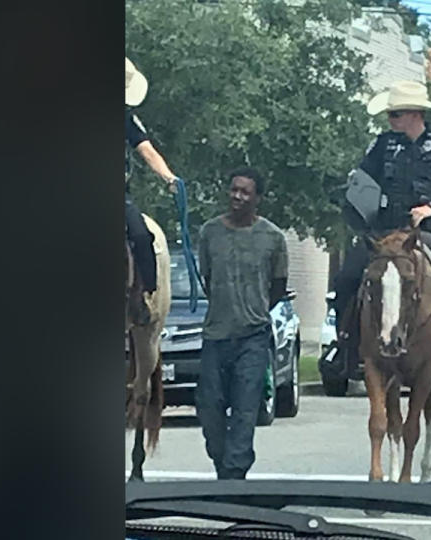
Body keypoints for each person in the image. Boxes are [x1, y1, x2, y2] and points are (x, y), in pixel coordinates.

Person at [333, 80, 431, 381]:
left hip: (429, 232)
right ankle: (345, 347)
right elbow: (362, 183)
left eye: (395, 115)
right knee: (346, 278)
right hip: (385, 231)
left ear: (415, 114)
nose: (391, 121)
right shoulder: (382, 146)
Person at [196, 167, 289, 480]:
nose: (237, 196)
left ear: (257, 198)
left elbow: (277, 287)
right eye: (234, 189)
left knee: (245, 410)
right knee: (209, 408)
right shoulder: (210, 232)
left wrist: (255, 309)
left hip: (253, 337)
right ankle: (222, 463)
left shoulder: (273, 238)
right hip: (215, 336)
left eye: (245, 192)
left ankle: (234, 474)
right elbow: (207, 279)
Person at [125, 57, 179, 322]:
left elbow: (147, 150)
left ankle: (142, 295)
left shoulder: (127, 120)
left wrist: (169, 177)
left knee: (141, 236)